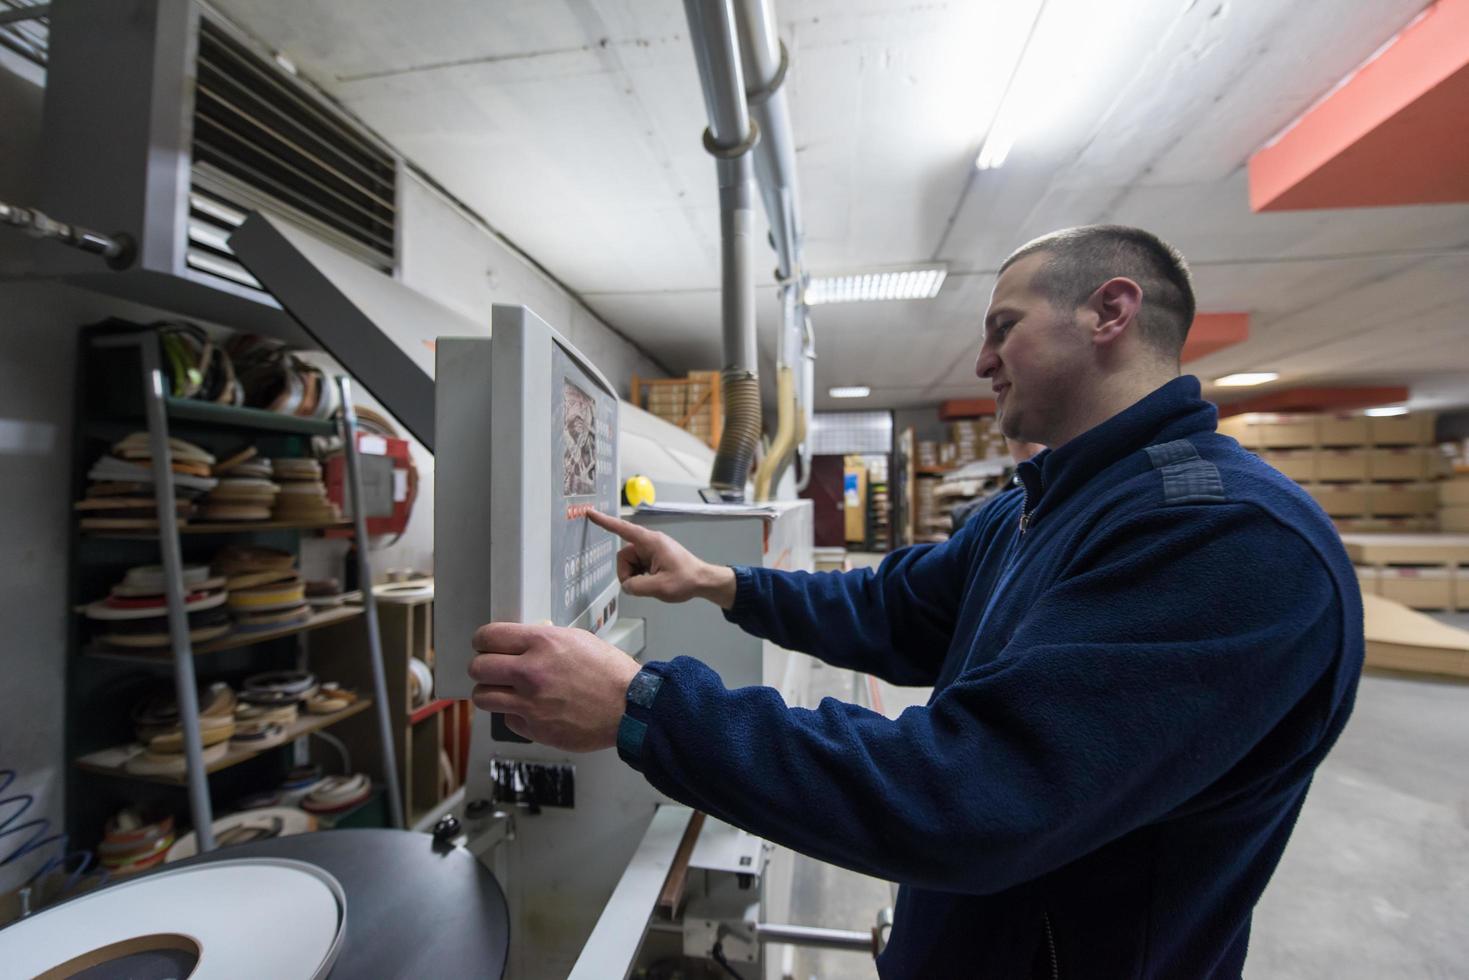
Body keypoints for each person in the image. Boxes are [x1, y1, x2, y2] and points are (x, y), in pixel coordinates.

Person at [468, 225, 1363, 978]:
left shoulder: (1224, 540)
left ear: (1110, 312)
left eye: (1003, 326)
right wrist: (723, 583)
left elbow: (970, 795)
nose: (981, 359)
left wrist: (645, 706)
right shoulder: (1041, 501)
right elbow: (898, 610)